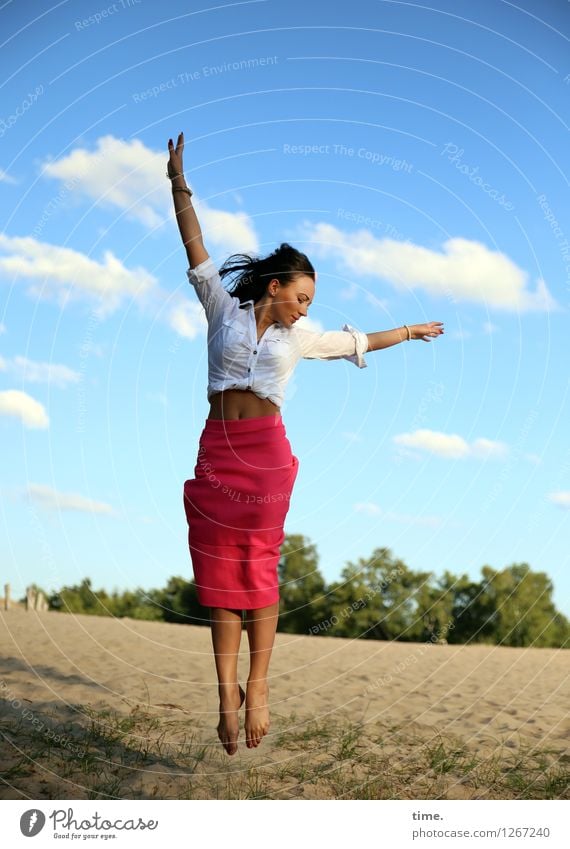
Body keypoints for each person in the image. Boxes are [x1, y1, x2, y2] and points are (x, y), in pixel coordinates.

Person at [167, 131, 444, 756]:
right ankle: (225, 697)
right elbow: (194, 243)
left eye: (311, 302)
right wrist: (178, 183)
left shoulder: (300, 339)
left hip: (265, 458)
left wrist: (411, 329)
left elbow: (360, 343)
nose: (304, 308)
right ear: (274, 286)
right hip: (216, 452)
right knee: (217, 581)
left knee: (259, 577)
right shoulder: (221, 308)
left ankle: (258, 689)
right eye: (301, 296)